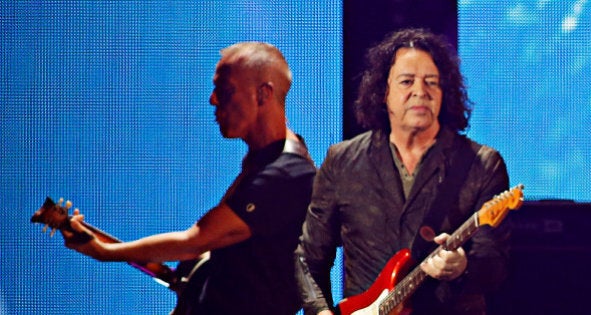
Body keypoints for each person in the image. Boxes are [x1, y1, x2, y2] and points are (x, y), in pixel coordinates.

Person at [62, 42, 317, 315]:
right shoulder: (267, 162)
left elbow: (195, 241)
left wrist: (104, 252)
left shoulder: (285, 175)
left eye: (225, 90)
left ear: (263, 94)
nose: (213, 100)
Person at [295, 28, 510, 315]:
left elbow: (495, 264)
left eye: (432, 82)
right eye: (407, 81)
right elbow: (308, 259)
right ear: (383, 91)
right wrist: (321, 312)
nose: (420, 91)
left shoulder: (481, 163)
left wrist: (462, 267)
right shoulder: (342, 160)